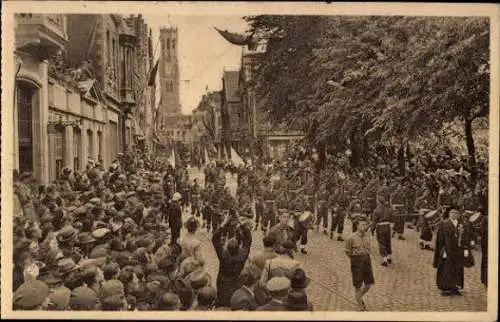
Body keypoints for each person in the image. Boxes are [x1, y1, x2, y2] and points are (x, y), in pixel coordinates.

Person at [212, 212, 252, 307]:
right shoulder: (242, 256)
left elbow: (215, 240)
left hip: (223, 282)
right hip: (237, 282)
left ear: (227, 248)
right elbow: (248, 240)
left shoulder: (223, 256)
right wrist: (240, 221)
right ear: (239, 247)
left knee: (222, 301)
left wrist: (224, 223)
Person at [433, 206, 467, 296]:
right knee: (446, 268)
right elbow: (440, 239)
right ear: (449, 214)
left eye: (456, 213)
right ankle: (445, 288)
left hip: (458, 250)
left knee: (457, 268)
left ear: (459, 215)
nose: (454, 214)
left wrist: (465, 247)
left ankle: (455, 286)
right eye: (452, 213)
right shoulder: (444, 223)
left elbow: (464, 237)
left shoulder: (460, 224)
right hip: (447, 249)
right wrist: (443, 249)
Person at [345, 215, 374, 311]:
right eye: (362, 225)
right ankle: (360, 307)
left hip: (367, 260)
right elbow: (347, 251)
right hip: (356, 262)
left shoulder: (367, 236)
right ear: (357, 226)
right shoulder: (351, 238)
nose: (365, 226)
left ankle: (358, 297)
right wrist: (355, 259)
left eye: (366, 225)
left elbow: (369, 249)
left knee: (368, 284)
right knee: (358, 285)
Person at [371, 190, 393, 266]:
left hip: (380, 227)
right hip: (388, 226)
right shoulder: (388, 208)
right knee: (388, 242)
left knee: (381, 243)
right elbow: (392, 217)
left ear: (378, 201)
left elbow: (374, 222)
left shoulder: (376, 210)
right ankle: (389, 257)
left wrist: (372, 230)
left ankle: (384, 260)